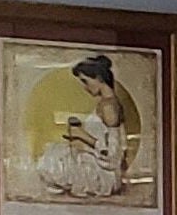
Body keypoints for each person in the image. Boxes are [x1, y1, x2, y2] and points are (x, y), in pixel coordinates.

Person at [36, 55, 137, 200]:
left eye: (85, 81)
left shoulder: (109, 107)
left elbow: (113, 155)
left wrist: (81, 135)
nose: (84, 87)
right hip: (95, 163)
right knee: (53, 152)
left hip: (103, 174)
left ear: (99, 78)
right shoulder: (106, 103)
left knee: (52, 160)